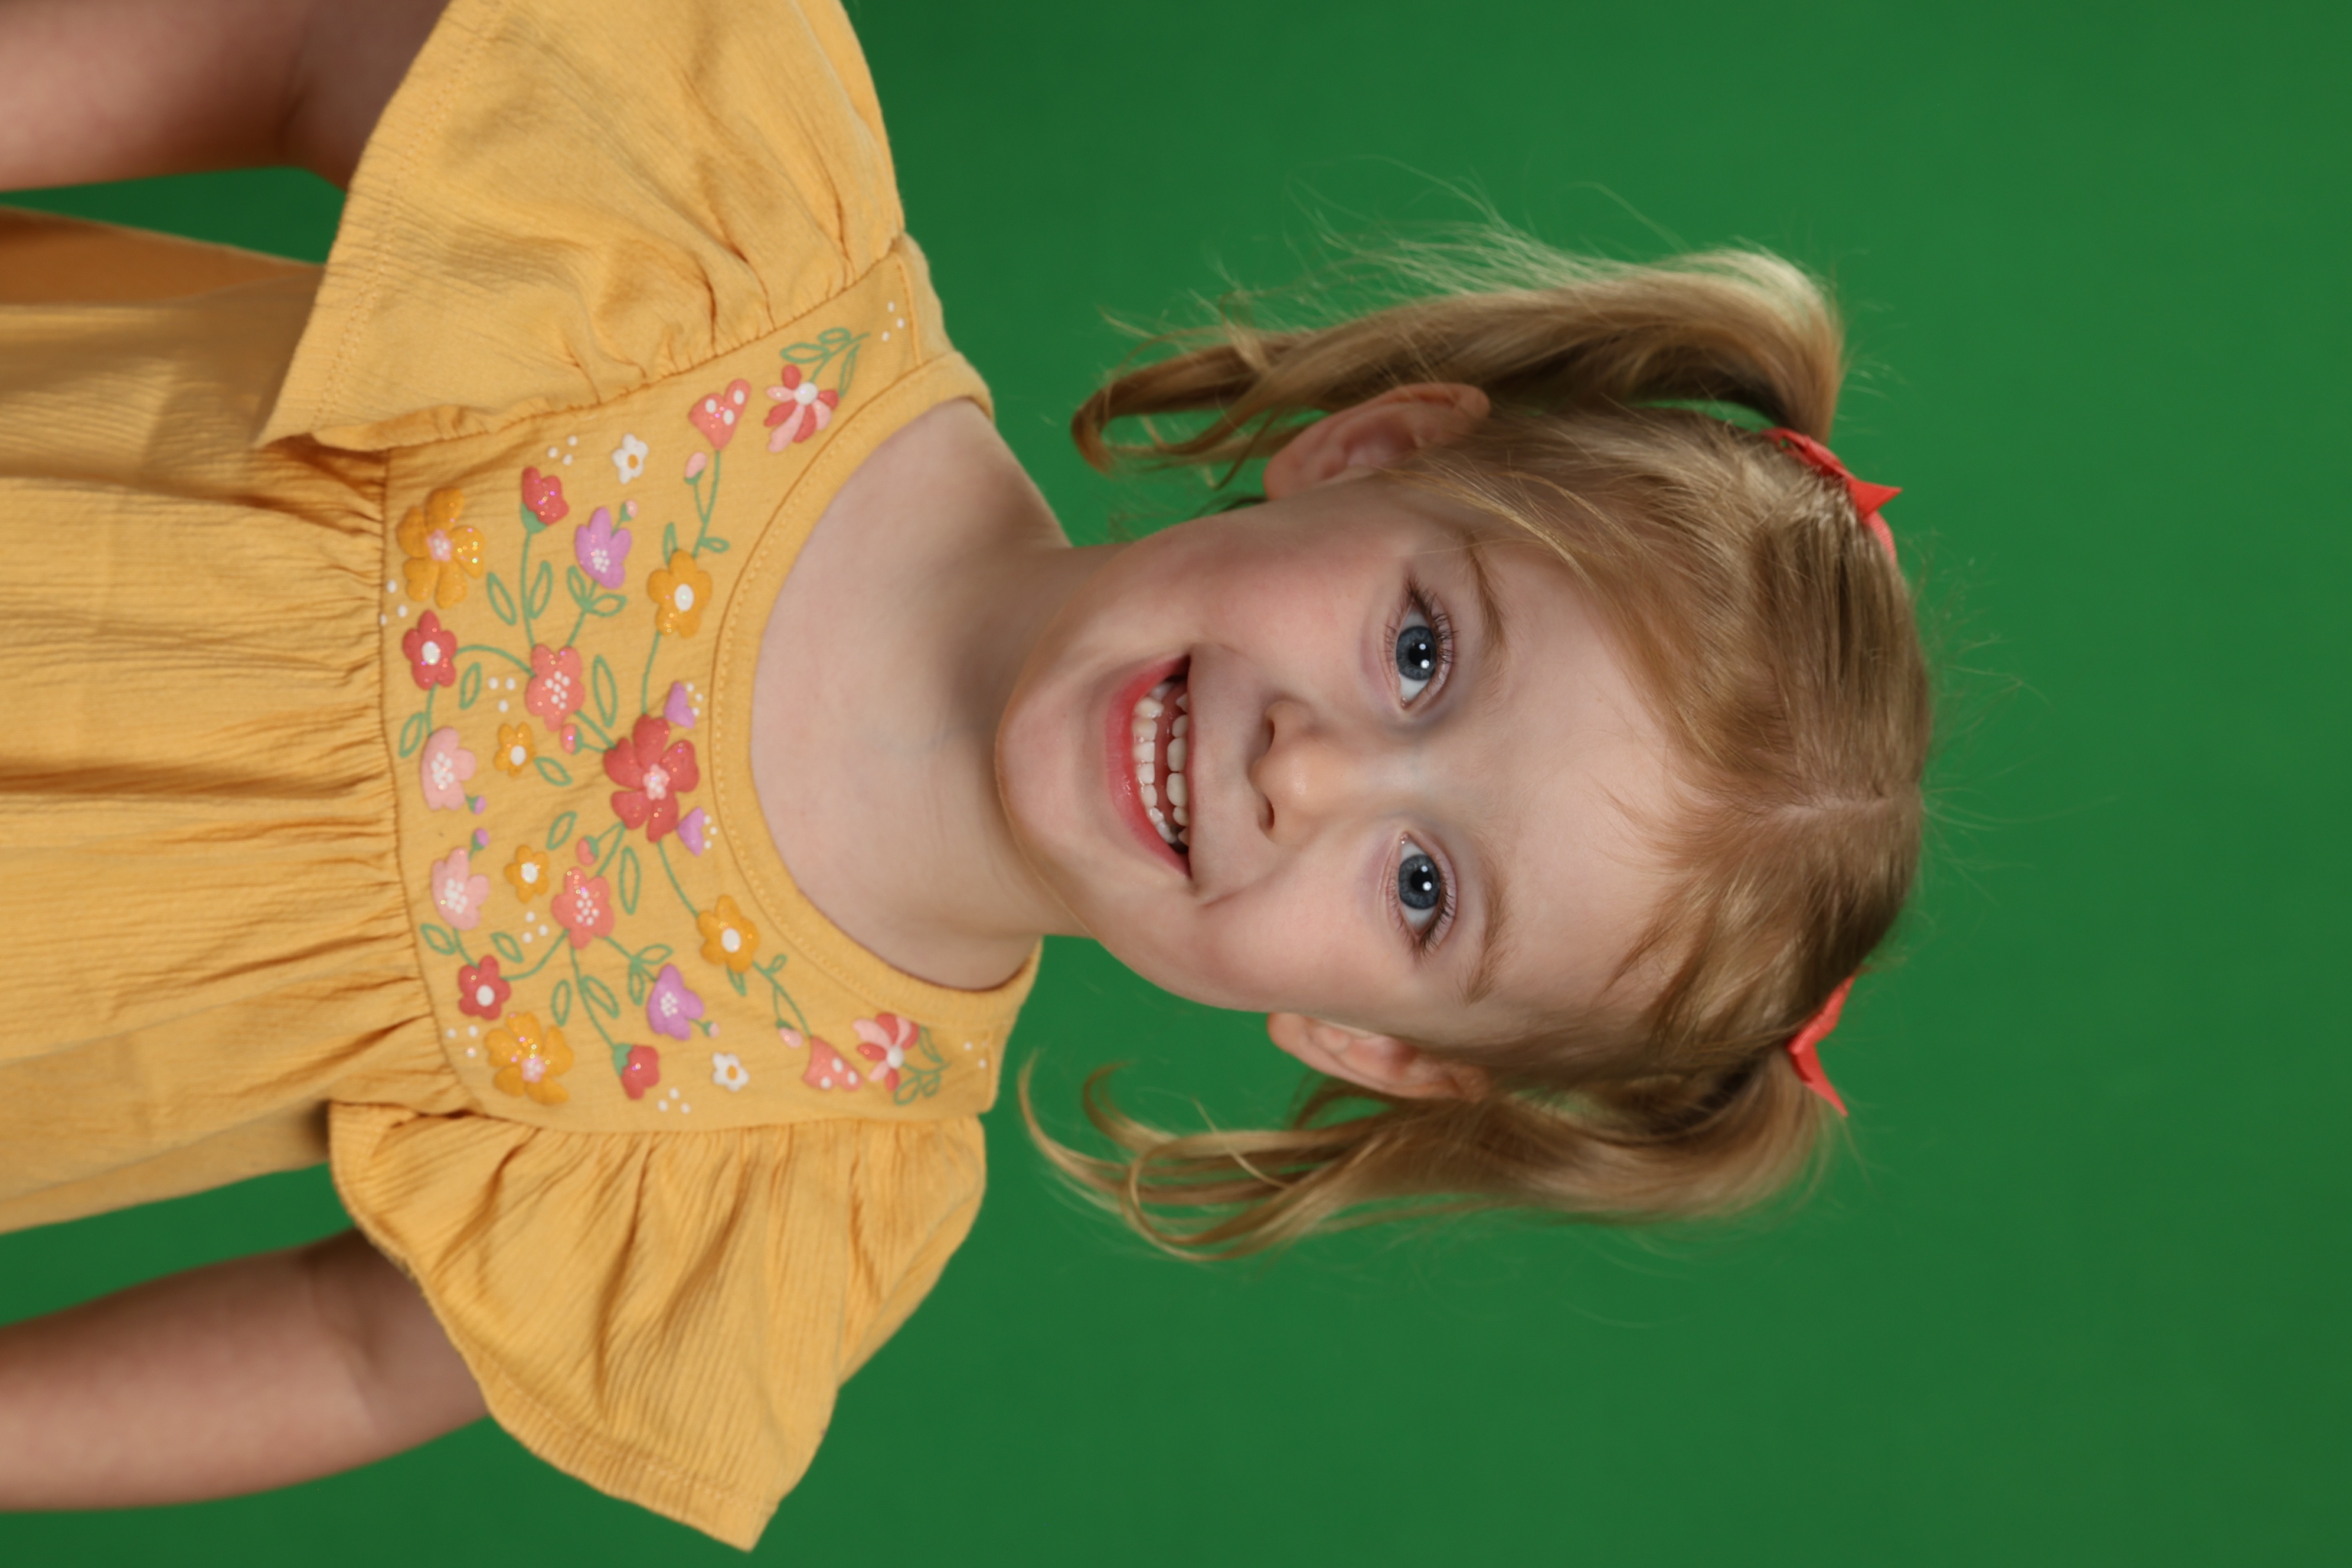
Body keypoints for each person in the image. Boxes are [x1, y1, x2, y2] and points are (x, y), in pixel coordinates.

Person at [0, 0, 1930, 1549]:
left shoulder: (796, 1164)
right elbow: (306, 38)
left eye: (1423, 890)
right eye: (1421, 651)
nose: (1313, 774)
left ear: (1366, 1042)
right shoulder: (744, 251)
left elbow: (355, 1345)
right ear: (1373, 453)